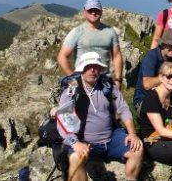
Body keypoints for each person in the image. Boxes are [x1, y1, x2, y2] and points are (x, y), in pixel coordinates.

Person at [56, 52, 143, 181]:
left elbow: (123, 108)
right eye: (88, 66)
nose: (92, 69)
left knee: (138, 148)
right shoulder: (72, 89)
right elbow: (63, 118)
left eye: (96, 66)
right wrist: (75, 143)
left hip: (112, 138)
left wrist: (132, 133)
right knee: (75, 158)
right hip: (86, 142)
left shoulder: (107, 85)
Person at [57, 0, 123, 88]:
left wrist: (118, 80)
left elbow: (117, 55)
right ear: (84, 12)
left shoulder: (110, 32)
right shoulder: (77, 32)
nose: (93, 13)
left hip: (103, 81)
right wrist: (73, 78)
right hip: (82, 80)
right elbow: (62, 56)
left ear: (101, 11)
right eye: (90, 10)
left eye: (96, 10)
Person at [133, 29, 172, 110]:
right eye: (171, 45)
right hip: (144, 100)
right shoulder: (151, 56)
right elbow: (147, 84)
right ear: (163, 44)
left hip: (168, 98)